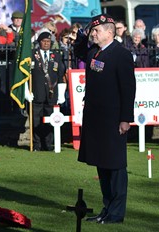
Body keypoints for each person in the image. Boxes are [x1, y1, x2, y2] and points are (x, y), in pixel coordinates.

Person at [73, 14, 136, 224]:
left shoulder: (121, 55)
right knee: (102, 164)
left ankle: (116, 212)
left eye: (97, 31)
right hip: (96, 119)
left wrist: (126, 118)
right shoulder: (94, 51)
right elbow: (79, 51)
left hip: (114, 119)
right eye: (93, 31)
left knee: (116, 166)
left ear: (110, 32)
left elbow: (128, 89)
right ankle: (106, 209)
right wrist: (83, 34)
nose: (93, 33)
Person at [31, 31, 66, 151]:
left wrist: (61, 94)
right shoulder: (32, 55)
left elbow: (60, 75)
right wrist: (27, 91)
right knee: (36, 120)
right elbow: (27, 75)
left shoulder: (55, 56)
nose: (46, 44)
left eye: (48, 42)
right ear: (39, 42)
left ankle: (48, 144)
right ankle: (37, 144)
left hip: (51, 95)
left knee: (51, 119)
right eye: (44, 41)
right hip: (37, 92)